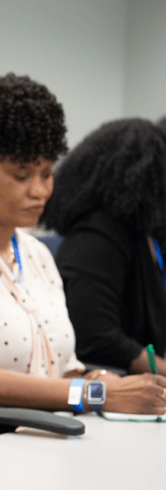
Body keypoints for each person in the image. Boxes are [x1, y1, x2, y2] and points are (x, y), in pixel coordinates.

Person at [0, 73, 166, 453]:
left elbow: (65, 369)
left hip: (46, 437)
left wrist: (107, 382)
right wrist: (95, 393)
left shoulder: (36, 253)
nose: (39, 191)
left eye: (46, 173)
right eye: (21, 175)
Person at [40, 119, 166, 374]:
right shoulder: (97, 237)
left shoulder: (146, 234)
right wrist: (159, 369)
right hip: (109, 384)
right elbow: (98, 338)